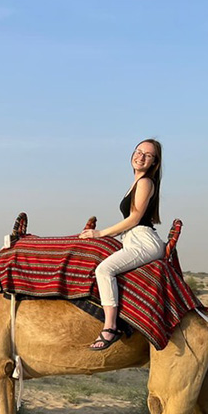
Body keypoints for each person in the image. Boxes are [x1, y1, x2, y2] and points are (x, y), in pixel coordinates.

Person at [79, 139, 165, 350]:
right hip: (133, 239)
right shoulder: (136, 183)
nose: (141, 156)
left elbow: (134, 218)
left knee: (104, 270)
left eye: (148, 155)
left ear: (154, 162)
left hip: (143, 241)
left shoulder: (145, 182)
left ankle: (110, 327)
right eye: (138, 151)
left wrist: (99, 233)